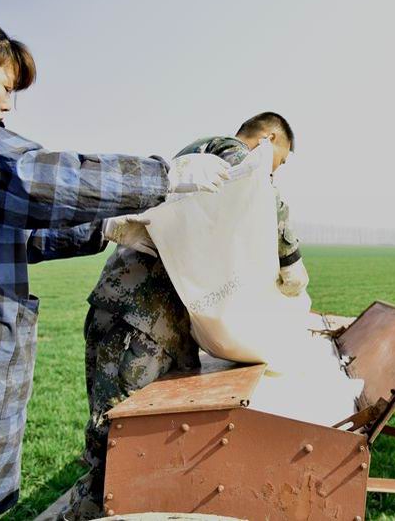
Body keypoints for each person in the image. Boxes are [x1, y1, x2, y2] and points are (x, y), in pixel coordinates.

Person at [0, 11, 230, 520]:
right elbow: (27, 178)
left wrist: (106, 227)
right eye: (5, 86)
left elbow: (18, 233)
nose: (7, 105)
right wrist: (161, 177)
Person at [64, 112, 307, 520]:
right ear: (267, 139)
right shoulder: (225, 152)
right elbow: (260, 191)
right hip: (136, 317)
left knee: (148, 442)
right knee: (119, 443)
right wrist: (290, 256)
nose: (273, 172)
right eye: (277, 162)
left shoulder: (208, 166)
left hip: (158, 321)